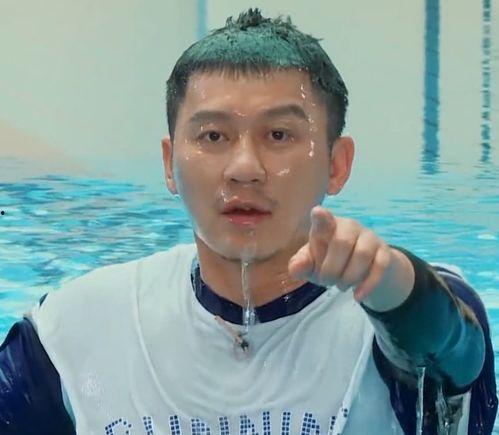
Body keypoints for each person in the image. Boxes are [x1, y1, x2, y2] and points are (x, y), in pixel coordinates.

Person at [0, 8, 497, 435]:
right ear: (169, 164)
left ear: (337, 164)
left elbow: (450, 353)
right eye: (213, 137)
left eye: (278, 135)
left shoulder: (403, 306)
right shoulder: (69, 334)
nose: (244, 168)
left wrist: (393, 290)